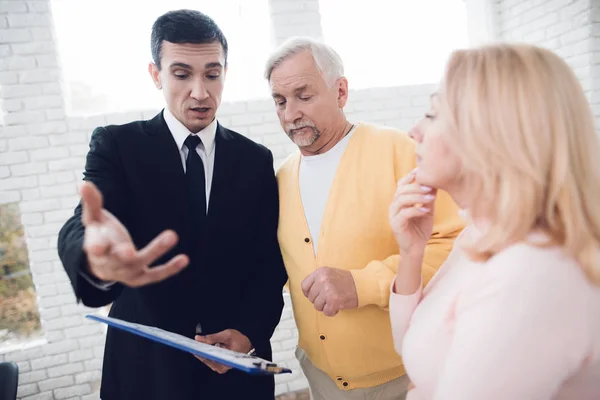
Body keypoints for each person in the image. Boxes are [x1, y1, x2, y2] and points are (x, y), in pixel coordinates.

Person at [57, 9, 287, 400]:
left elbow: (268, 264)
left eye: (212, 74)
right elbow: (88, 221)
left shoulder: (256, 159)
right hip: (147, 373)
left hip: (233, 371)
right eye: (182, 74)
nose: (200, 91)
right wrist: (95, 256)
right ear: (156, 75)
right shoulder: (118, 145)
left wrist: (249, 331)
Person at [389, 43, 600, 399]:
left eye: (433, 113)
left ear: (490, 133)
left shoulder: (530, 271)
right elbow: (412, 347)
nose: (414, 130)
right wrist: (411, 254)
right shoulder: (484, 234)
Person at [264, 37, 464, 400]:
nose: (290, 112)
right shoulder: (280, 178)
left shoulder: (399, 150)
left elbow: (453, 247)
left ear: (340, 91)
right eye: (280, 101)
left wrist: (362, 284)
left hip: (402, 378)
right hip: (320, 378)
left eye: (304, 96)